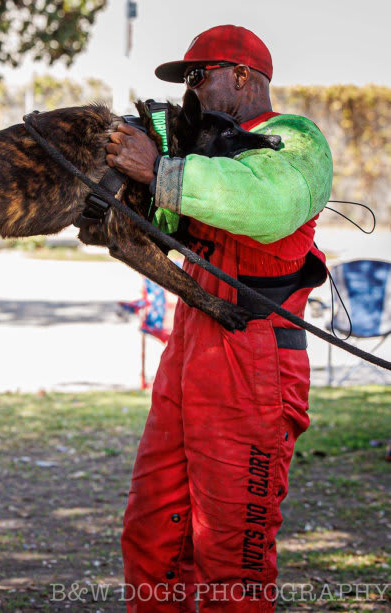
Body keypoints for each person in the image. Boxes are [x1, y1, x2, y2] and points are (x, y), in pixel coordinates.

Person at [104, 25, 333, 612]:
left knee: (233, 560)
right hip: (188, 354)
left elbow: (263, 204)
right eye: (188, 79)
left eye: (197, 76)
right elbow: (166, 224)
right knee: (152, 537)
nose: (191, 89)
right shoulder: (206, 148)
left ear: (241, 76)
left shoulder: (296, 143)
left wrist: (161, 171)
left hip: (253, 369)